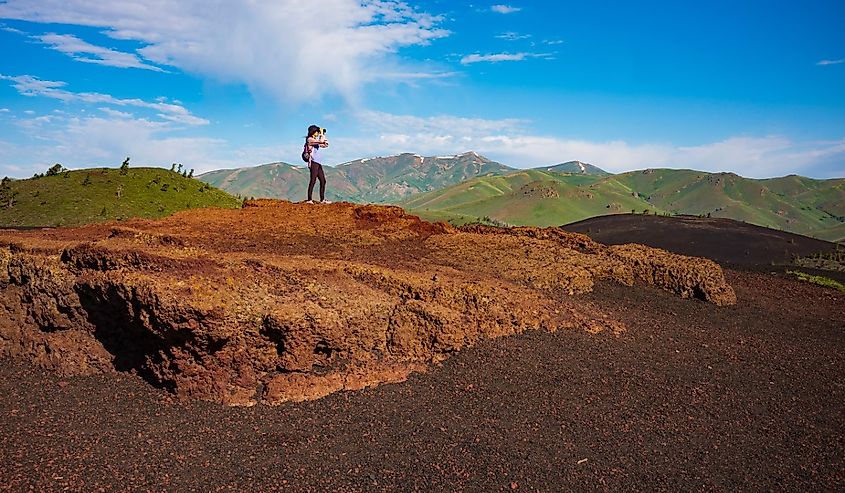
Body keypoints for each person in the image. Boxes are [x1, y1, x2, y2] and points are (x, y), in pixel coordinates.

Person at [304, 125, 331, 204]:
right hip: (313, 162)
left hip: (318, 163)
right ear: (313, 132)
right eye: (316, 132)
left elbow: (325, 144)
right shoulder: (310, 140)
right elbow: (321, 141)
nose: (317, 133)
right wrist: (322, 133)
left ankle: (322, 200)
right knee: (313, 180)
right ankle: (309, 199)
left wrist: (323, 135)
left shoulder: (315, 140)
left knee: (323, 181)